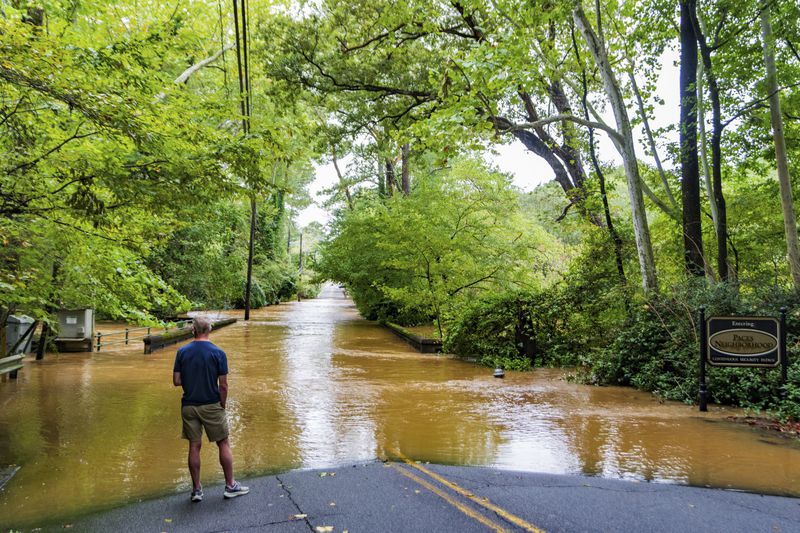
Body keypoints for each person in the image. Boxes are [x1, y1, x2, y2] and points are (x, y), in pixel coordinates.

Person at [172, 316, 249, 501]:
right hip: (211, 405)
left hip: (189, 405)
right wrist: (222, 404)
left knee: (194, 445)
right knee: (223, 443)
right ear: (210, 330)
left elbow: (176, 381)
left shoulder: (182, 352)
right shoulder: (218, 353)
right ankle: (230, 486)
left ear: (193, 330)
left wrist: (191, 380)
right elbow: (223, 385)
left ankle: (196, 490)